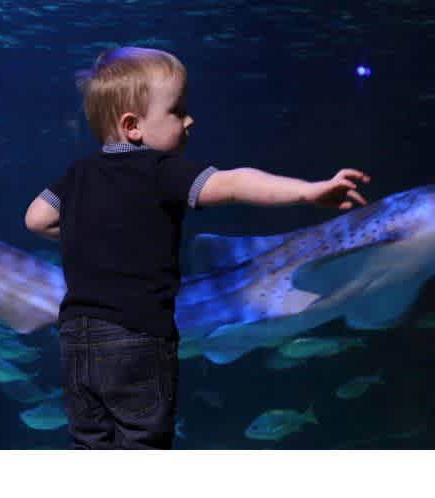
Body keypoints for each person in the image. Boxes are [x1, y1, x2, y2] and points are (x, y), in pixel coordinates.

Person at [24, 46, 370, 449]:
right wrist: (309, 192)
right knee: (141, 444)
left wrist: (94, 237)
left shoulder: (78, 173)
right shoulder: (160, 170)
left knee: (90, 447)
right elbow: (236, 183)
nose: (190, 119)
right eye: (177, 110)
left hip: (76, 340)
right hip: (138, 336)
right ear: (132, 126)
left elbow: (36, 218)